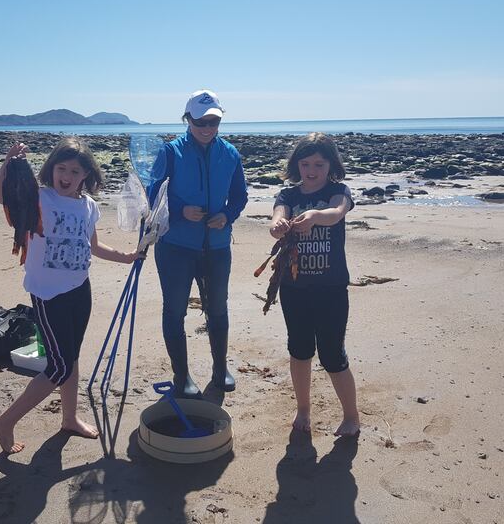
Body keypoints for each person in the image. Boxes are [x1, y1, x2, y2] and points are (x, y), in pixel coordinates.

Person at [0, 138, 141, 454]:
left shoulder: (89, 206)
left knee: (69, 359)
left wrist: (126, 256)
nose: (67, 175)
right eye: (62, 168)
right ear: (51, 169)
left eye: (75, 170)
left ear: (86, 175)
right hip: (48, 295)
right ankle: (5, 422)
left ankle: (69, 418)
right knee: (57, 367)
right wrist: (7, 163)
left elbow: (94, 247)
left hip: (79, 291)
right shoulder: (38, 198)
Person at [148, 90, 248, 398]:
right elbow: (152, 194)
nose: (207, 128)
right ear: (187, 120)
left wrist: (226, 215)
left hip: (216, 245)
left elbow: (240, 196)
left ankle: (220, 369)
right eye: (200, 122)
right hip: (176, 245)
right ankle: (182, 377)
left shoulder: (230, 153)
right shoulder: (171, 152)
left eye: (213, 122)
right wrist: (181, 211)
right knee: (175, 310)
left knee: (217, 308)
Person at [268, 132, 360, 436]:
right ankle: (304, 410)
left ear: (330, 165)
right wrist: (279, 224)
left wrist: (315, 216)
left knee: (333, 355)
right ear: (296, 165)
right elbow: (277, 218)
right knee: (299, 350)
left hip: (331, 290)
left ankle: (351, 416)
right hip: (294, 290)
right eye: (305, 163)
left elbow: (336, 213)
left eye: (319, 164)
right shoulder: (288, 196)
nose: (311, 170)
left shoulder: (339, 191)